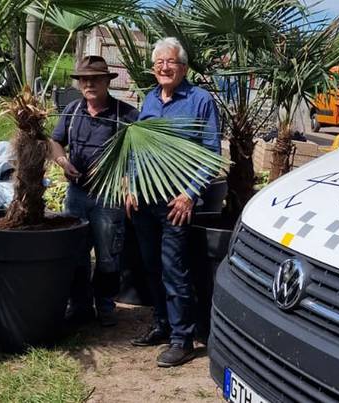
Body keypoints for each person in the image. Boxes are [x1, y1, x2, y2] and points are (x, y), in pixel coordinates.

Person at [127, 37, 221, 367]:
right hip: (144, 200)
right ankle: (162, 325)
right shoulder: (150, 99)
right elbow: (137, 145)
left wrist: (189, 194)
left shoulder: (199, 100)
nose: (164, 68)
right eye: (159, 63)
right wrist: (130, 183)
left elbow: (211, 155)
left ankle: (182, 338)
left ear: (183, 67)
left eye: (171, 62)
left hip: (175, 203)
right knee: (151, 266)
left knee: (174, 269)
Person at [51, 55, 139, 327]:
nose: (89, 84)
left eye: (95, 79)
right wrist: (62, 161)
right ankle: (79, 306)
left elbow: (138, 155)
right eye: (84, 79)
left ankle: (105, 306)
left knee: (108, 255)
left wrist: (129, 185)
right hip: (76, 195)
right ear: (79, 83)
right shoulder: (72, 111)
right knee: (75, 254)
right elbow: (55, 142)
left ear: (106, 82)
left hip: (108, 197)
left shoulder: (125, 115)